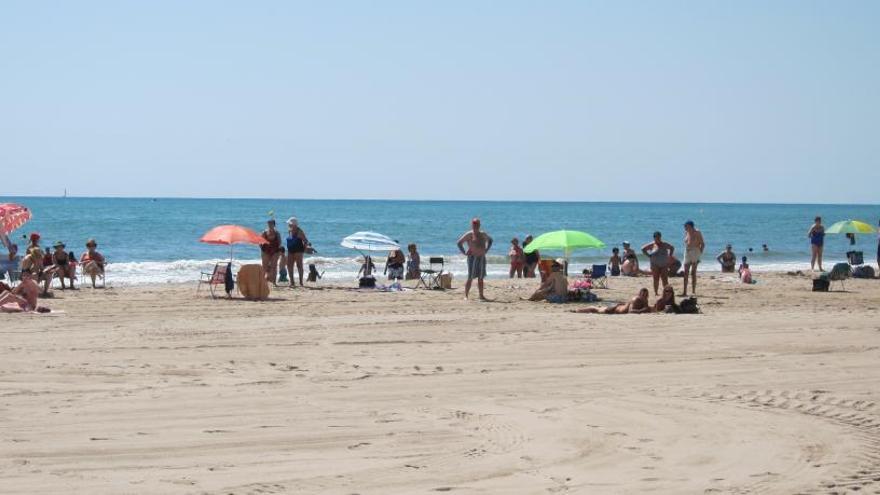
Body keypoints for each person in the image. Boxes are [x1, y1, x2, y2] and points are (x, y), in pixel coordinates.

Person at [456, 217, 493, 300]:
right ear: (472, 224)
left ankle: (481, 295)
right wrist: (464, 252)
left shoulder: (483, 234)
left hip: (482, 258)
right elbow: (459, 243)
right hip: (473, 258)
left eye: (477, 224)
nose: (475, 225)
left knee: (480, 278)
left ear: (479, 225)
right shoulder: (469, 234)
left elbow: (490, 240)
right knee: (470, 277)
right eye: (474, 224)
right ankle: (466, 296)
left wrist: (486, 249)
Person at [641, 232, 674, 296]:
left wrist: (670, 256)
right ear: (654, 238)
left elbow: (672, 247)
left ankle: (666, 292)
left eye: (659, 237)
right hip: (655, 264)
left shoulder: (664, 244)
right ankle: (656, 292)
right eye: (656, 237)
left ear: (660, 237)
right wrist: (648, 256)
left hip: (664, 264)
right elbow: (643, 249)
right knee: (656, 278)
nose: (658, 238)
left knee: (665, 279)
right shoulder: (652, 244)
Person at [572, 288, 651, 314]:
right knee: (595, 309)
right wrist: (642, 310)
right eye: (643, 295)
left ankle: (577, 310)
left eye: (645, 295)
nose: (644, 296)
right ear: (639, 294)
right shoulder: (636, 299)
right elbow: (631, 311)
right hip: (614, 309)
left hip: (618, 307)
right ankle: (576, 310)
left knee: (597, 308)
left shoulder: (645, 300)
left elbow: (646, 308)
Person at [285, 217, 310, 287]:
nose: (288, 225)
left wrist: (304, 249)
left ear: (294, 224)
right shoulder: (289, 230)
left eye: (290, 224)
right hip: (290, 250)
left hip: (298, 251)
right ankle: (292, 282)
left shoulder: (300, 231)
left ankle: (301, 282)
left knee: (299, 266)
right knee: (289, 266)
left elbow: (306, 241)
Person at [682, 220, 705, 296]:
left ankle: (693, 291)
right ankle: (684, 291)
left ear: (690, 226)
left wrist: (699, 254)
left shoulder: (697, 232)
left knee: (693, 272)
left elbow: (702, 244)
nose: (685, 227)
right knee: (686, 272)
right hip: (687, 251)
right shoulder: (687, 232)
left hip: (695, 251)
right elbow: (687, 242)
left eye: (686, 226)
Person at [260, 219, 283, 286]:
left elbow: (280, 242)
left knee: (274, 266)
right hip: (265, 251)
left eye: (271, 224)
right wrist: (262, 249)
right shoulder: (264, 232)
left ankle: (274, 282)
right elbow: (260, 241)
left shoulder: (277, 233)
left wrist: (278, 251)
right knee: (264, 266)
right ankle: (262, 281)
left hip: (275, 251)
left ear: (274, 225)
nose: (269, 225)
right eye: (268, 224)